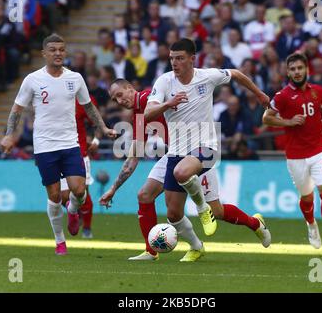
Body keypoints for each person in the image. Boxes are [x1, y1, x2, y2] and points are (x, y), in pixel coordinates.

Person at [99, 78, 271, 262]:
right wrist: (113, 189)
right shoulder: (139, 117)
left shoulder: (154, 96)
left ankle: (255, 223)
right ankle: (160, 250)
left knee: (217, 212)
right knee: (146, 196)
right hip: (173, 155)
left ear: (130, 88)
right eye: (115, 99)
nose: (119, 101)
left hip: (197, 152)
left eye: (120, 94)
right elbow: (133, 158)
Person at [143, 38, 270, 261]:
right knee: (175, 214)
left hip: (207, 148)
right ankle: (248, 225)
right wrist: (167, 104)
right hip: (177, 152)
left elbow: (237, 74)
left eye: (180, 58)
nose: (175, 63)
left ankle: (202, 209)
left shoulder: (208, 76)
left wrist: (258, 94)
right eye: (172, 58)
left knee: (182, 173)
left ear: (192, 59)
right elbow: (147, 114)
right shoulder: (164, 82)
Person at [0, 34, 116, 255]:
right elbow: (17, 110)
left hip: (70, 144)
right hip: (44, 146)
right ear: (44, 53)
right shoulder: (32, 80)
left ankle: (73, 211)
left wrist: (103, 128)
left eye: (61, 50)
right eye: (53, 50)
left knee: (79, 190)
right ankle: (59, 240)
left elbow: (89, 107)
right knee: (54, 196)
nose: (58, 53)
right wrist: (8, 135)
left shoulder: (75, 79)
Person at [262, 52, 322, 251]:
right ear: (288, 72)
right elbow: (266, 118)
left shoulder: (318, 91)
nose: (297, 72)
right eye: (293, 69)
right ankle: (311, 225)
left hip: (319, 148)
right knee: (307, 197)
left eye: (300, 68)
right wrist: (287, 121)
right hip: (296, 155)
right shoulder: (282, 96)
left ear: (307, 70)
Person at [60, 95, 99, 239]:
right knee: (63, 196)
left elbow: (96, 122)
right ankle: (74, 212)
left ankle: (87, 228)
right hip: (59, 153)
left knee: (82, 193)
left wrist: (95, 139)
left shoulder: (82, 98)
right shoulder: (51, 97)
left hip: (80, 152)